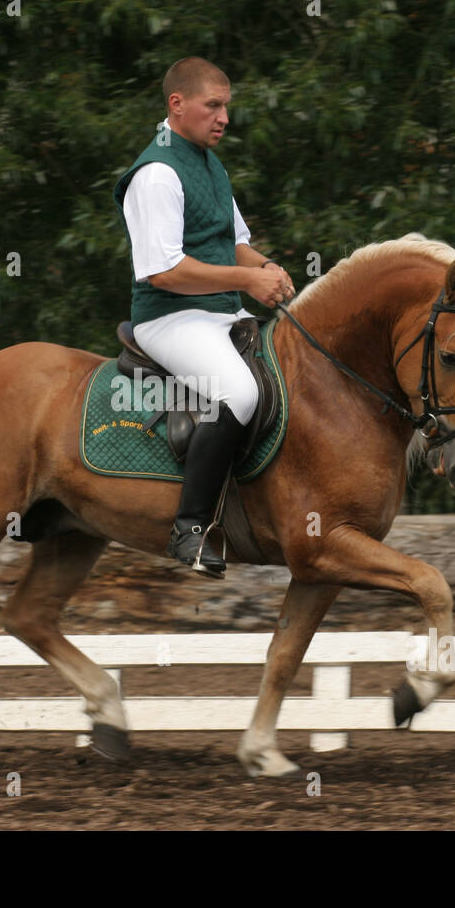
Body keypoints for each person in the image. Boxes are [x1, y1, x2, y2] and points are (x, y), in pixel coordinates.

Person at [113, 57, 295, 578]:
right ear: (178, 105)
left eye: (226, 107)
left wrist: (266, 268)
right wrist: (247, 282)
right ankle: (190, 528)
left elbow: (233, 243)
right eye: (213, 106)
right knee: (239, 393)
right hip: (170, 318)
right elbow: (163, 270)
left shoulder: (208, 163)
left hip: (219, 312)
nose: (224, 118)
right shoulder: (156, 173)